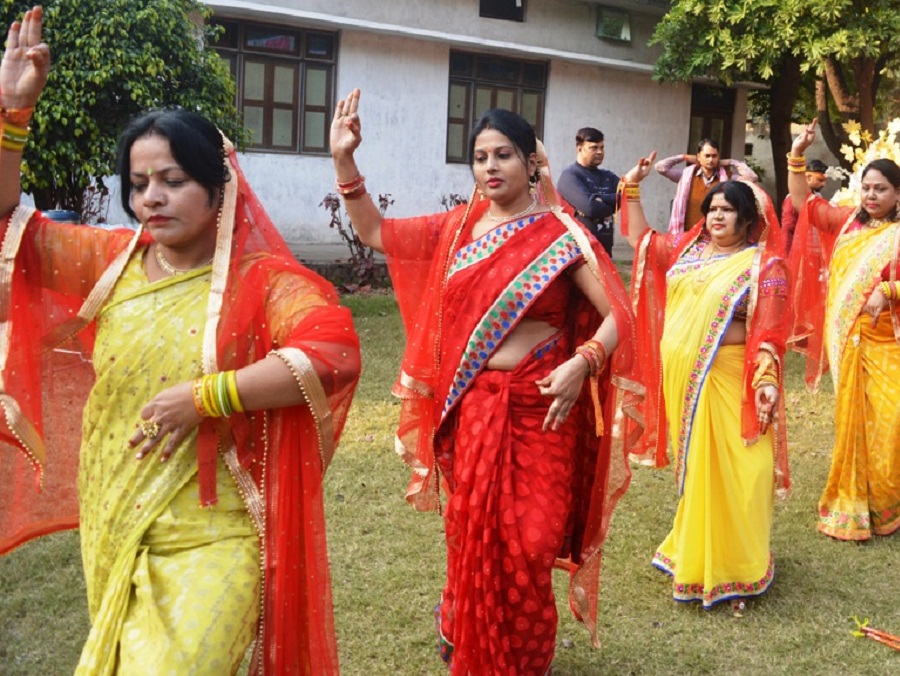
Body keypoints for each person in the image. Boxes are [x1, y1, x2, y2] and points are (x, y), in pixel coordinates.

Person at [0, 8, 361, 674]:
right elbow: (7, 231)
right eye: (138, 185)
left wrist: (208, 395)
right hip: (119, 508)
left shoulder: (265, 282)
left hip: (216, 528)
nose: (151, 199)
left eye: (172, 180)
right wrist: (11, 119)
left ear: (218, 188)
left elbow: (331, 352)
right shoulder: (110, 264)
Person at [330, 91, 640, 674]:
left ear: (530, 163)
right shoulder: (457, 231)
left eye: (503, 155)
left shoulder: (560, 234)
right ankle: (469, 641)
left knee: (530, 543)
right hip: (473, 408)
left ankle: (523, 657)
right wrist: (345, 161)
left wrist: (586, 362)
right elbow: (373, 231)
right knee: (471, 535)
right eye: (479, 157)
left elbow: (621, 312)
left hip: (540, 408)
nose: (490, 167)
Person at [620, 151, 790, 611]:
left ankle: (739, 565)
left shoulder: (764, 267)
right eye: (712, 208)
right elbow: (640, 241)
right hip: (685, 383)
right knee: (700, 475)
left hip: (733, 381)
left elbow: (771, 333)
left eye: (727, 209)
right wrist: (631, 188)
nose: (717, 215)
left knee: (743, 474)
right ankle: (695, 555)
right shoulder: (687, 253)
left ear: (747, 218)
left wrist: (768, 380)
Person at [786, 121, 900, 541]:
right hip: (851, 343)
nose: (872, 196)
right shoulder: (848, 224)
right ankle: (850, 506)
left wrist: (890, 290)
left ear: (899, 194)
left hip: (890, 344)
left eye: (881, 190)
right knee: (854, 425)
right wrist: (797, 154)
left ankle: (885, 505)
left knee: (893, 421)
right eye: (867, 188)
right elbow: (805, 204)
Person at [656, 138, 758, 243]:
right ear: (699, 157)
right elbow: (660, 167)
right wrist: (684, 157)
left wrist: (731, 162)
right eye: (707, 156)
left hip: (715, 237)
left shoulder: (726, 178)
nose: (710, 160)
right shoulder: (686, 176)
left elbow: (752, 177)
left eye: (714, 156)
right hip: (687, 235)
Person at [557, 126, 621, 255]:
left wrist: (600, 199)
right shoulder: (570, 176)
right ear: (579, 149)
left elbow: (626, 197)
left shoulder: (608, 177)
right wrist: (611, 204)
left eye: (602, 147)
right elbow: (590, 208)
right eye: (594, 148)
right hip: (579, 253)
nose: (599, 152)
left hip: (605, 251)